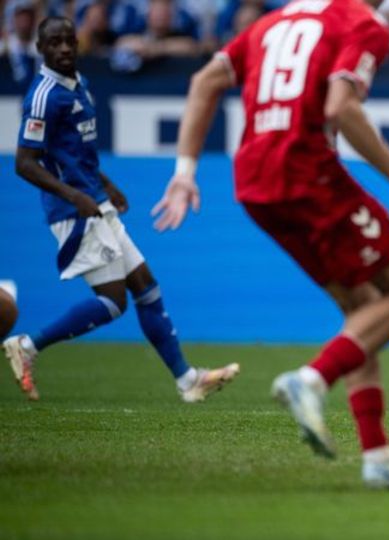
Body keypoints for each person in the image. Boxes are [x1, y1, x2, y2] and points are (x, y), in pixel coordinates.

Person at [151, 0, 389, 490]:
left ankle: (377, 457)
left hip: (253, 183)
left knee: (362, 312)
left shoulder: (271, 22)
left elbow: (204, 81)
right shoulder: (362, 22)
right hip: (307, 171)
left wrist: (184, 173)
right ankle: (310, 379)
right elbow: (341, 107)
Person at [5, 16, 240, 403]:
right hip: (75, 212)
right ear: (41, 49)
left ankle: (188, 380)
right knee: (113, 303)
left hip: (94, 200)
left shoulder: (79, 85)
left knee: (146, 286)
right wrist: (74, 196)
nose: (64, 48)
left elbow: (75, 151)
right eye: (54, 43)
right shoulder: (45, 95)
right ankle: (28, 345)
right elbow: (25, 162)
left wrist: (106, 185)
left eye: (69, 41)